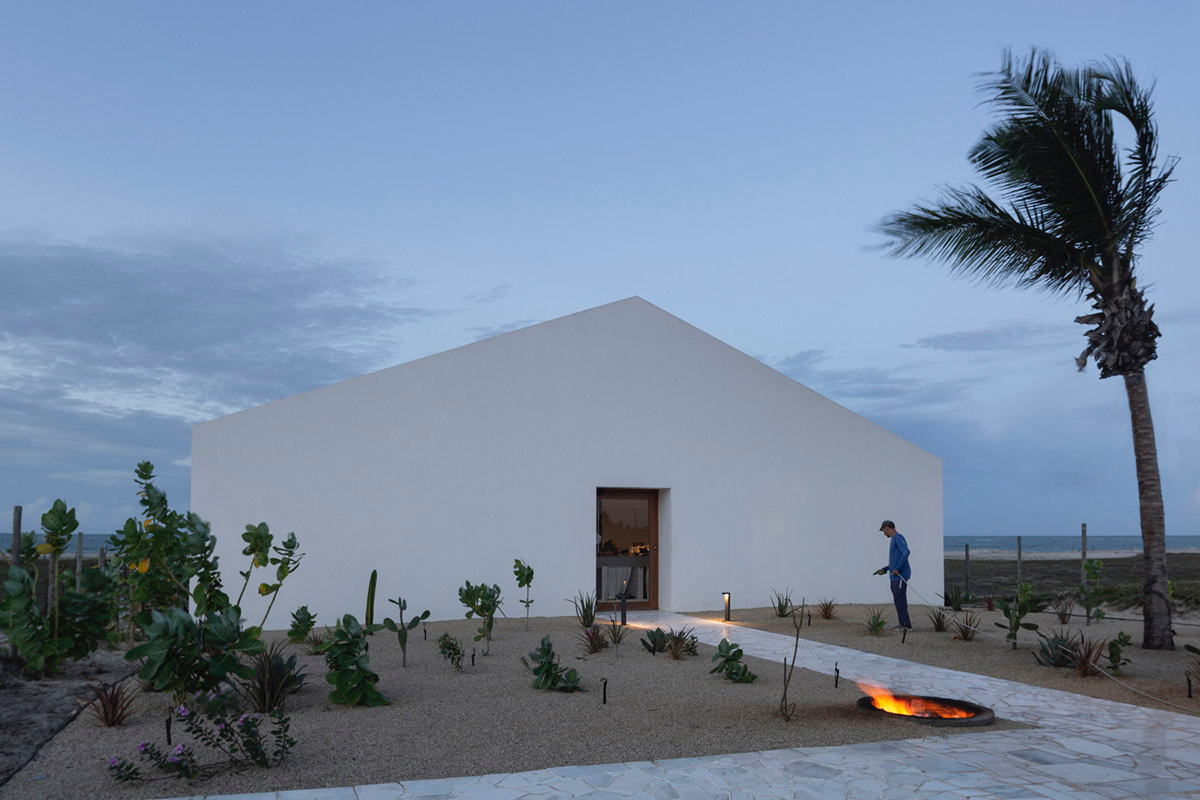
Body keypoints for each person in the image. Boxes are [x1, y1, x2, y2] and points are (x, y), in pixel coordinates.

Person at [873, 520, 912, 631]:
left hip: (900, 576)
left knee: (900, 601)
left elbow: (906, 552)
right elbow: (894, 562)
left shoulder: (898, 537)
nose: (884, 533)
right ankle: (903, 624)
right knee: (898, 601)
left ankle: (906, 626)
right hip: (895, 576)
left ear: (887, 528)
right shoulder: (894, 540)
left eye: (883, 531)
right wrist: (884, 569)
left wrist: (898, 569)